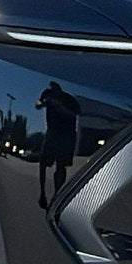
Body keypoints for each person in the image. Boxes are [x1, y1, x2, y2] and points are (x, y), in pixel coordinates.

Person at [36, 81, 79, 210]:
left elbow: (77, 114)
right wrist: (44, 103)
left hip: (65, 135)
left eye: (55, 88)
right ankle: (42, 193)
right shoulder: (48, 94)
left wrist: (61, 108)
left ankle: (57, 195)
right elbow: (37, 104)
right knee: (43, 163)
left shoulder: (68, 99)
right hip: (52, 133)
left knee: (61, 165)